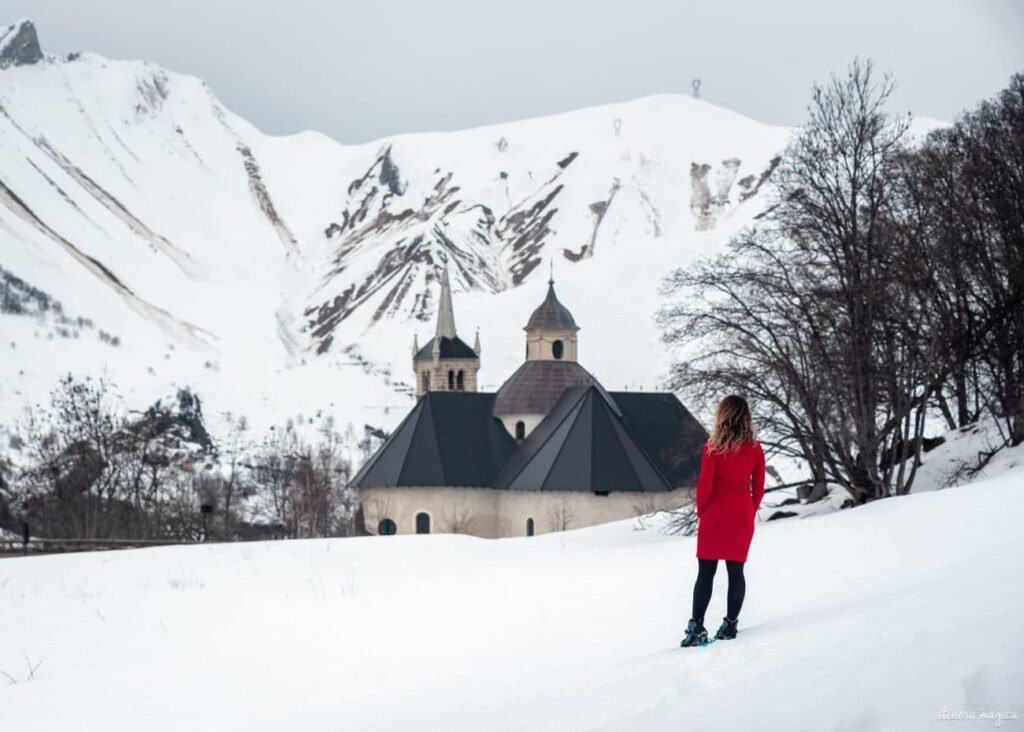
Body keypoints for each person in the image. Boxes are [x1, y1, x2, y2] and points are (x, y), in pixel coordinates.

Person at [680, 395, 765, 647]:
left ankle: (696, 627)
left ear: (723, 415)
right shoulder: (755, 449)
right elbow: (758, 488)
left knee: (705, 572)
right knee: (735, 571)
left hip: (715, 514)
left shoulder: (713, 447)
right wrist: (749, 511)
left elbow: (705, 485)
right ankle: (730, 625)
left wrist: (702, 512)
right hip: (741, 515)